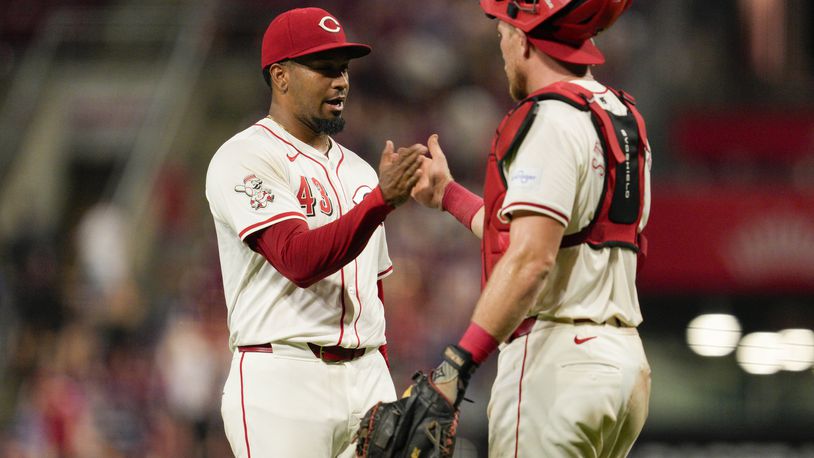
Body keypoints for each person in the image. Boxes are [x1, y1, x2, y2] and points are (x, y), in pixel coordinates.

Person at [410, 0, 652, 456]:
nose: (501, 46)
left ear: (523, 38)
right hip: (621, 365)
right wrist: (449, 196)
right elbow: (544, 240)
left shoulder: (549, 119)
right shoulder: (621, 116)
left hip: (557, 366)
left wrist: (455, 366)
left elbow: (530, 260)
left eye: (502, 33)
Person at [204, 7, 425, 457]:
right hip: (283, 378)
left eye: (342, 69)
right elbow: (297, 260)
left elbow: (372, 297)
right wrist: (380, 201)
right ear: (280, 77)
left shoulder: (362, 172)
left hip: (367, 378)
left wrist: (382, 374)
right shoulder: (246, 157)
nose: (341, 81)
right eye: (324, 69)